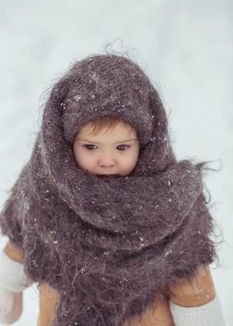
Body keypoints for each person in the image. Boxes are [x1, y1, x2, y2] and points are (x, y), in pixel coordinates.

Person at [0, 54, 225, 325]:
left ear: (145, 144)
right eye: (90, 147)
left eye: (122, 147)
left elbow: (190, 275)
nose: (107, 161)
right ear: (64, 144)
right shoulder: (46, 194)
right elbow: (23, 240)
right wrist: (6, 287)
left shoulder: (169, 205)